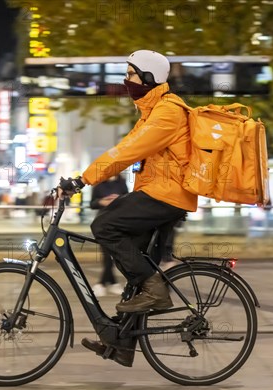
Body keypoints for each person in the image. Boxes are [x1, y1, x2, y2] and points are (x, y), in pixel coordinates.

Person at [57, 50, 197, 367]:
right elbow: (122, 150)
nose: (126, 80)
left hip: (168, 194)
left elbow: (127, 152)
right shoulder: (150, 112)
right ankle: (122, 343)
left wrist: (82, 180)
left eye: (131, 74)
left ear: (148, 78)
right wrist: (83, 178)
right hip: (158, 193)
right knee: (133, 261)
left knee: (104, 225)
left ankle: (156, 291)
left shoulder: (168, 113)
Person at [89, 175, 129, 297]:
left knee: (112, 254)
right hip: (103, 223)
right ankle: (108, 283)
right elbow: (93, 203)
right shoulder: (99, 184)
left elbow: (128, 200)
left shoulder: (122, 183)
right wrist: (102, 201)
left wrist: (118, 199)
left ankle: (106, 283)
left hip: (119, 222)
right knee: (107, 254)